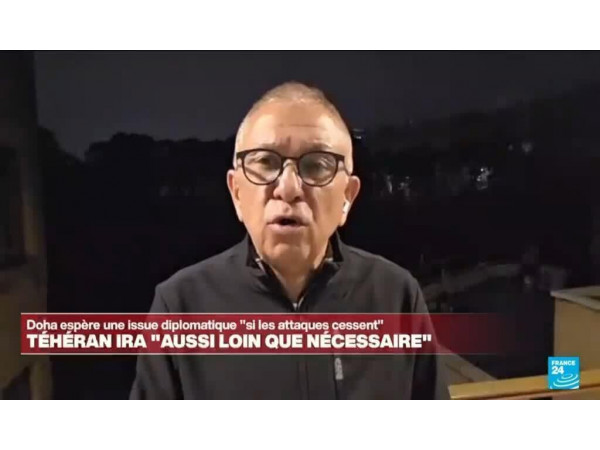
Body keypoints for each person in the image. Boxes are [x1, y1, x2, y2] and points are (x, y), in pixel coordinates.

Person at [130, 81, 449, 399]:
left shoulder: (396, 297)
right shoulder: (180, 308)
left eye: (316, 165)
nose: (289, 188)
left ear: (347, 198)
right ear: (236, 192)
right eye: (265, 162)